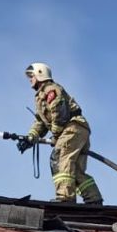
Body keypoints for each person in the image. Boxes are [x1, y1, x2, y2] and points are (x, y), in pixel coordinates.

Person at [20, 62, 103, 204]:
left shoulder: (50, 90)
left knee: (59, 159)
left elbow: (59, 113)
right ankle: (93, 199)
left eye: (31, 76)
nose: (30, 79)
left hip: (72, 128)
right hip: (78, 129)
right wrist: (31, 137)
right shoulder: (41, 96)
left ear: (40, 74)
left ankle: (65, 197)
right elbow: (41, 122)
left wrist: (56, 136)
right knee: (75, 169)